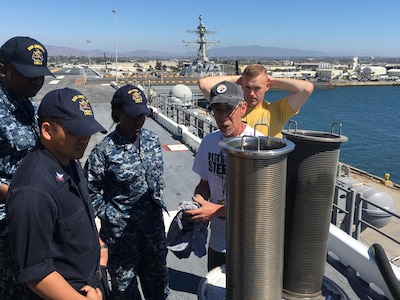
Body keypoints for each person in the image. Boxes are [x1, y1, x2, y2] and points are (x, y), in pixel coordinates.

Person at [5, 88, 108, 300]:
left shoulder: (68, 161)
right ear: (47, 130)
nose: (84, 139)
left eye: (87, 130)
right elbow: (36, 272)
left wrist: (99, 247)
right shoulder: (32, 190)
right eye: (74, 131)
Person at [85, 84, 169, 300]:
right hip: (122, 237)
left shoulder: (152, 140)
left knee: (158, 287)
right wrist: (113, 216)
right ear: (117, 113)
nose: (139, 121)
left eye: (142, 115)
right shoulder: (104, 150)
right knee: (125, 292)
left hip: (153, 231)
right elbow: (89, 192)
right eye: (133, 116)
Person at [184, 81, 263, 271]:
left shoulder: (260, 145)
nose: (222, 117)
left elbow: (261, 203)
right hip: (218, 241)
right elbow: (204, 183)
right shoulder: (209, 142)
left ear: (243, 108)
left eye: (228, 109)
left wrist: (216, 210)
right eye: (216, 110)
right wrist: (199, 201)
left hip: (251, 244)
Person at [0, 36, 54, 299]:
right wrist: (16, 196)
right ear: (2, 69)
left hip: (31, 214)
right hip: (5, 223)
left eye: (40, 75)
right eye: (28, 74)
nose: (37, 81)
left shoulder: (25, 103)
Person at [198, 63, 314, 137]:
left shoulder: (277, 111)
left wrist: (272, 80)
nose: (251, 93)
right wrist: (240, 79)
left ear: (267, 86)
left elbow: (306, 88)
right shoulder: (232, 108)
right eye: (247, 87)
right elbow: (203, 84)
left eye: (257, 88)